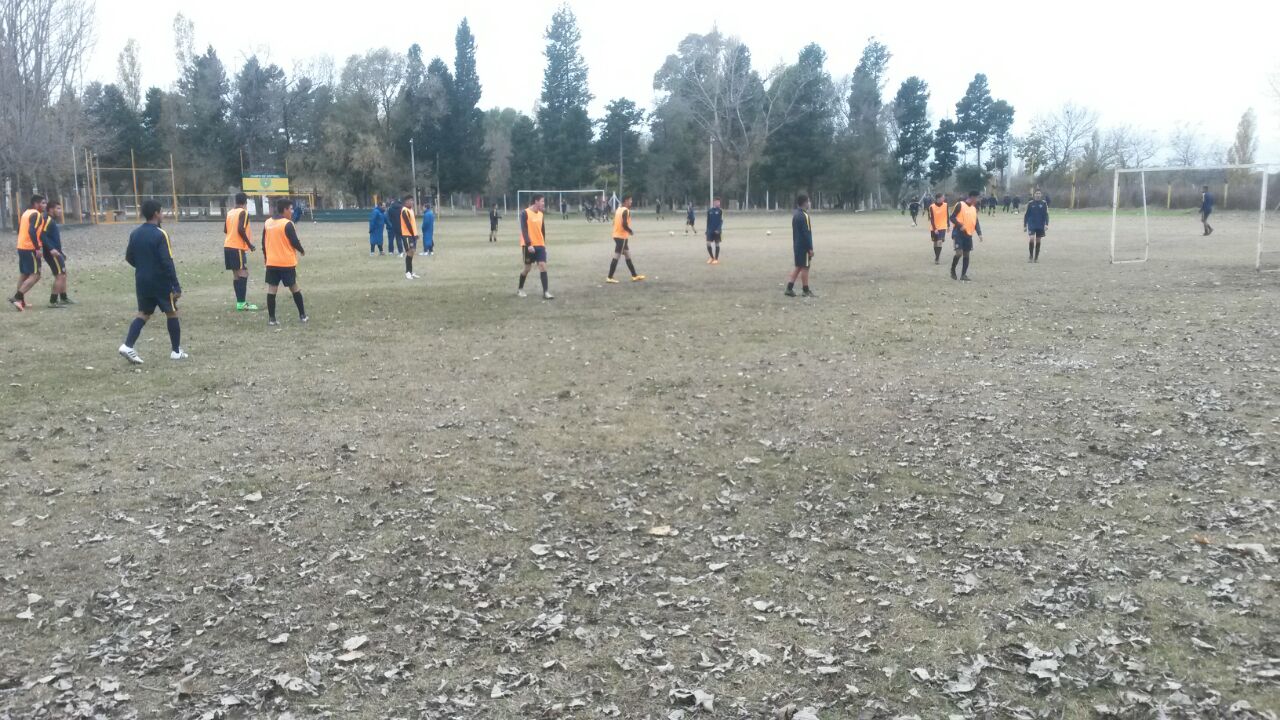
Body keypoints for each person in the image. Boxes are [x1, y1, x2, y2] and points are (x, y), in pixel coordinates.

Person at [118, 200, 186, 363]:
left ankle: (128, 346)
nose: (162, 214)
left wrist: (144, 266)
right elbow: (167, 261)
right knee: (172, 312)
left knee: (144, 313)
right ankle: (176, 351)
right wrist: (175, 285)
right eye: (161, 211)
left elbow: (129, 257)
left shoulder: (135, 233)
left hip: (141, 279)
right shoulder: (160, 234)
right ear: (156, 213)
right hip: (160, 280)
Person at [262, 198, 308, 326]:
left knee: (272, 289)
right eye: (291, 209)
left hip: (271, 262)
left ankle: (272, 319)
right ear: (285, 210)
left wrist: (266, 257)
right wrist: (301, 250)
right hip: (286, 262)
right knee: (294, 287)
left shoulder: (267, 223)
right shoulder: (287, 224)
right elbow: (294, 241)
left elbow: (263, 243)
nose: (292, 211)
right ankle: (302, 315)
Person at [9, 194, 46, 311]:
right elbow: (31, 231)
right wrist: (37, 248)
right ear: (36, 204)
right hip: (30, 248)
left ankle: (21, 302)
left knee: (25, 274)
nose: (45, 205)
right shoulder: (36, 214)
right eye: (43, 203)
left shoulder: (26, 213)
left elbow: (20, 229)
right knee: (36, 275)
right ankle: (16, 298)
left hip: (21, 247)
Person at [224, 193, 258, 311]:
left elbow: (225, 230)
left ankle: (240, 303)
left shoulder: (229, 213)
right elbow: (240, 229)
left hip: (227, 246)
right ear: (245, 202)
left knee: (236, 275)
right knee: (243, 273)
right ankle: (242, 303)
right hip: (237, 247)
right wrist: (250, 244)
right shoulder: (243, 212)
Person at [517, 194, 553, 299]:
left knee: (542, 266)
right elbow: (524, 230)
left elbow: (542, 230)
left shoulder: (541, 214)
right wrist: (529, 244)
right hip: (529, 246)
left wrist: (544, 244)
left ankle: (546, 292)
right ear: (536, 201)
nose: (543, 203)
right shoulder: (525, 213)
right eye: (542, 201)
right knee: (527, 268)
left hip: (540, 245)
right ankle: (520, 289)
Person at [605, 195, 645, 283]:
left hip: (617, 235)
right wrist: (630, 231)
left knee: (627, 255)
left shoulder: (619, 209)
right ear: (626, 201)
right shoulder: (626, 211)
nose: (631, 202)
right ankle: (609, 277)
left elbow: (614, 222)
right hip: (621, 236)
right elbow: (624, 224)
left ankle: (634, 275)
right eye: (630, 200)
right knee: (617, 256)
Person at [41, 199, 73, 307]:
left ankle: (63, 298)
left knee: (63, 274)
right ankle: (53, 301)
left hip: (56, 252)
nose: (60, 211)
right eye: (58, 209)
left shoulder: (52, 220)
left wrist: (61, 252)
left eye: (61, 208)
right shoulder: (48, 220)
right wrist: (51, 249)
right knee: (60, 275)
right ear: (50, 209)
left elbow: (51, 238)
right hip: (52, 253)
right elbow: (42, 235)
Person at [949, 190, 984, 281]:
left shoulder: (974, 208)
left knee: (966, 254)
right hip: (958, 233)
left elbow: (976, 222)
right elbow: (952, 217)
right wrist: (960, 225)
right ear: (972, 197)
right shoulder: (960, 205)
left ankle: (963, 275)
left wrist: (979, 233)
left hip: (968, 235)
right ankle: (952, 269)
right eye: (977, 197)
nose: (978, 199)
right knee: (959, 253)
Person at [784, 195, 815, 297]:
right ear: (805, 203)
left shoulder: (796, 215)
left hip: (797, 245)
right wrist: (810, 248)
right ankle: (805, 290)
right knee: (805, 267)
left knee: (798, 267)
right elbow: (807, 233)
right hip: (804, 247)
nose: (809, 203)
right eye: (808, 201)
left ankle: (789, 288)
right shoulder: (804, 216)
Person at [397, 195, 420, 279]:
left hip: (413, 235)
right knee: (409, 252)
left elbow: (413, 224)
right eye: (410, 201)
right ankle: (407, 272)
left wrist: (416, 234)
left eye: (412, 201)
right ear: (406, 202)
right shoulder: (404, 210)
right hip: (407, 235)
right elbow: (408, 224)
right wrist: (413, 235)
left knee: (412, 252)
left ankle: (410, 271)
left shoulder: (411, 210)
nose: (412, 202)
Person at [1024, 189, 1049, 263]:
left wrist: (1046, 224)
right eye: (1036, 193)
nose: (1038, 195)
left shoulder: (1044, 203)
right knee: (1031, 239)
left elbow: (1046, 215)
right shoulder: (1030, 203)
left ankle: (1036, 257)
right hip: (1032, 224)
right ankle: (1031, 256)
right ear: (1034, 195)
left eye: (1039, 193)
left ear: (1041, 195)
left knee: (1038, 240)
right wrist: (1025, 225)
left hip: (1040, 224)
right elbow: (1026, 215)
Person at [927, 193, 949, 265]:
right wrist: (935, 228)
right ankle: (937, 256)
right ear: (938, 198)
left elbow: (947, 215)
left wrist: (948, 225)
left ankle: (937, 258)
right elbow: (932, 219)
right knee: (935, 243)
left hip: (942, 227)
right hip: (934, 227)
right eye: (943, 197)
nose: (944, 198)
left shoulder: (946, 205)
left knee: (939, 242)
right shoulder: (931, 207)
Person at [705, 197, 724, 264]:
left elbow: (721, 221)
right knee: (708, 244)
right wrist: (707, 230)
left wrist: (718, 229)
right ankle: (711, 257)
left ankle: (716, 259)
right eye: (716, 202)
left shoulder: (720, 211)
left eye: (718, 202)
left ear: (719, 203)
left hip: (717, 231)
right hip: (710, 230)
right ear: (714, 202)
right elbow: (708, 221)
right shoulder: (709, 211)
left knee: (717, 244)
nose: (717, 203)